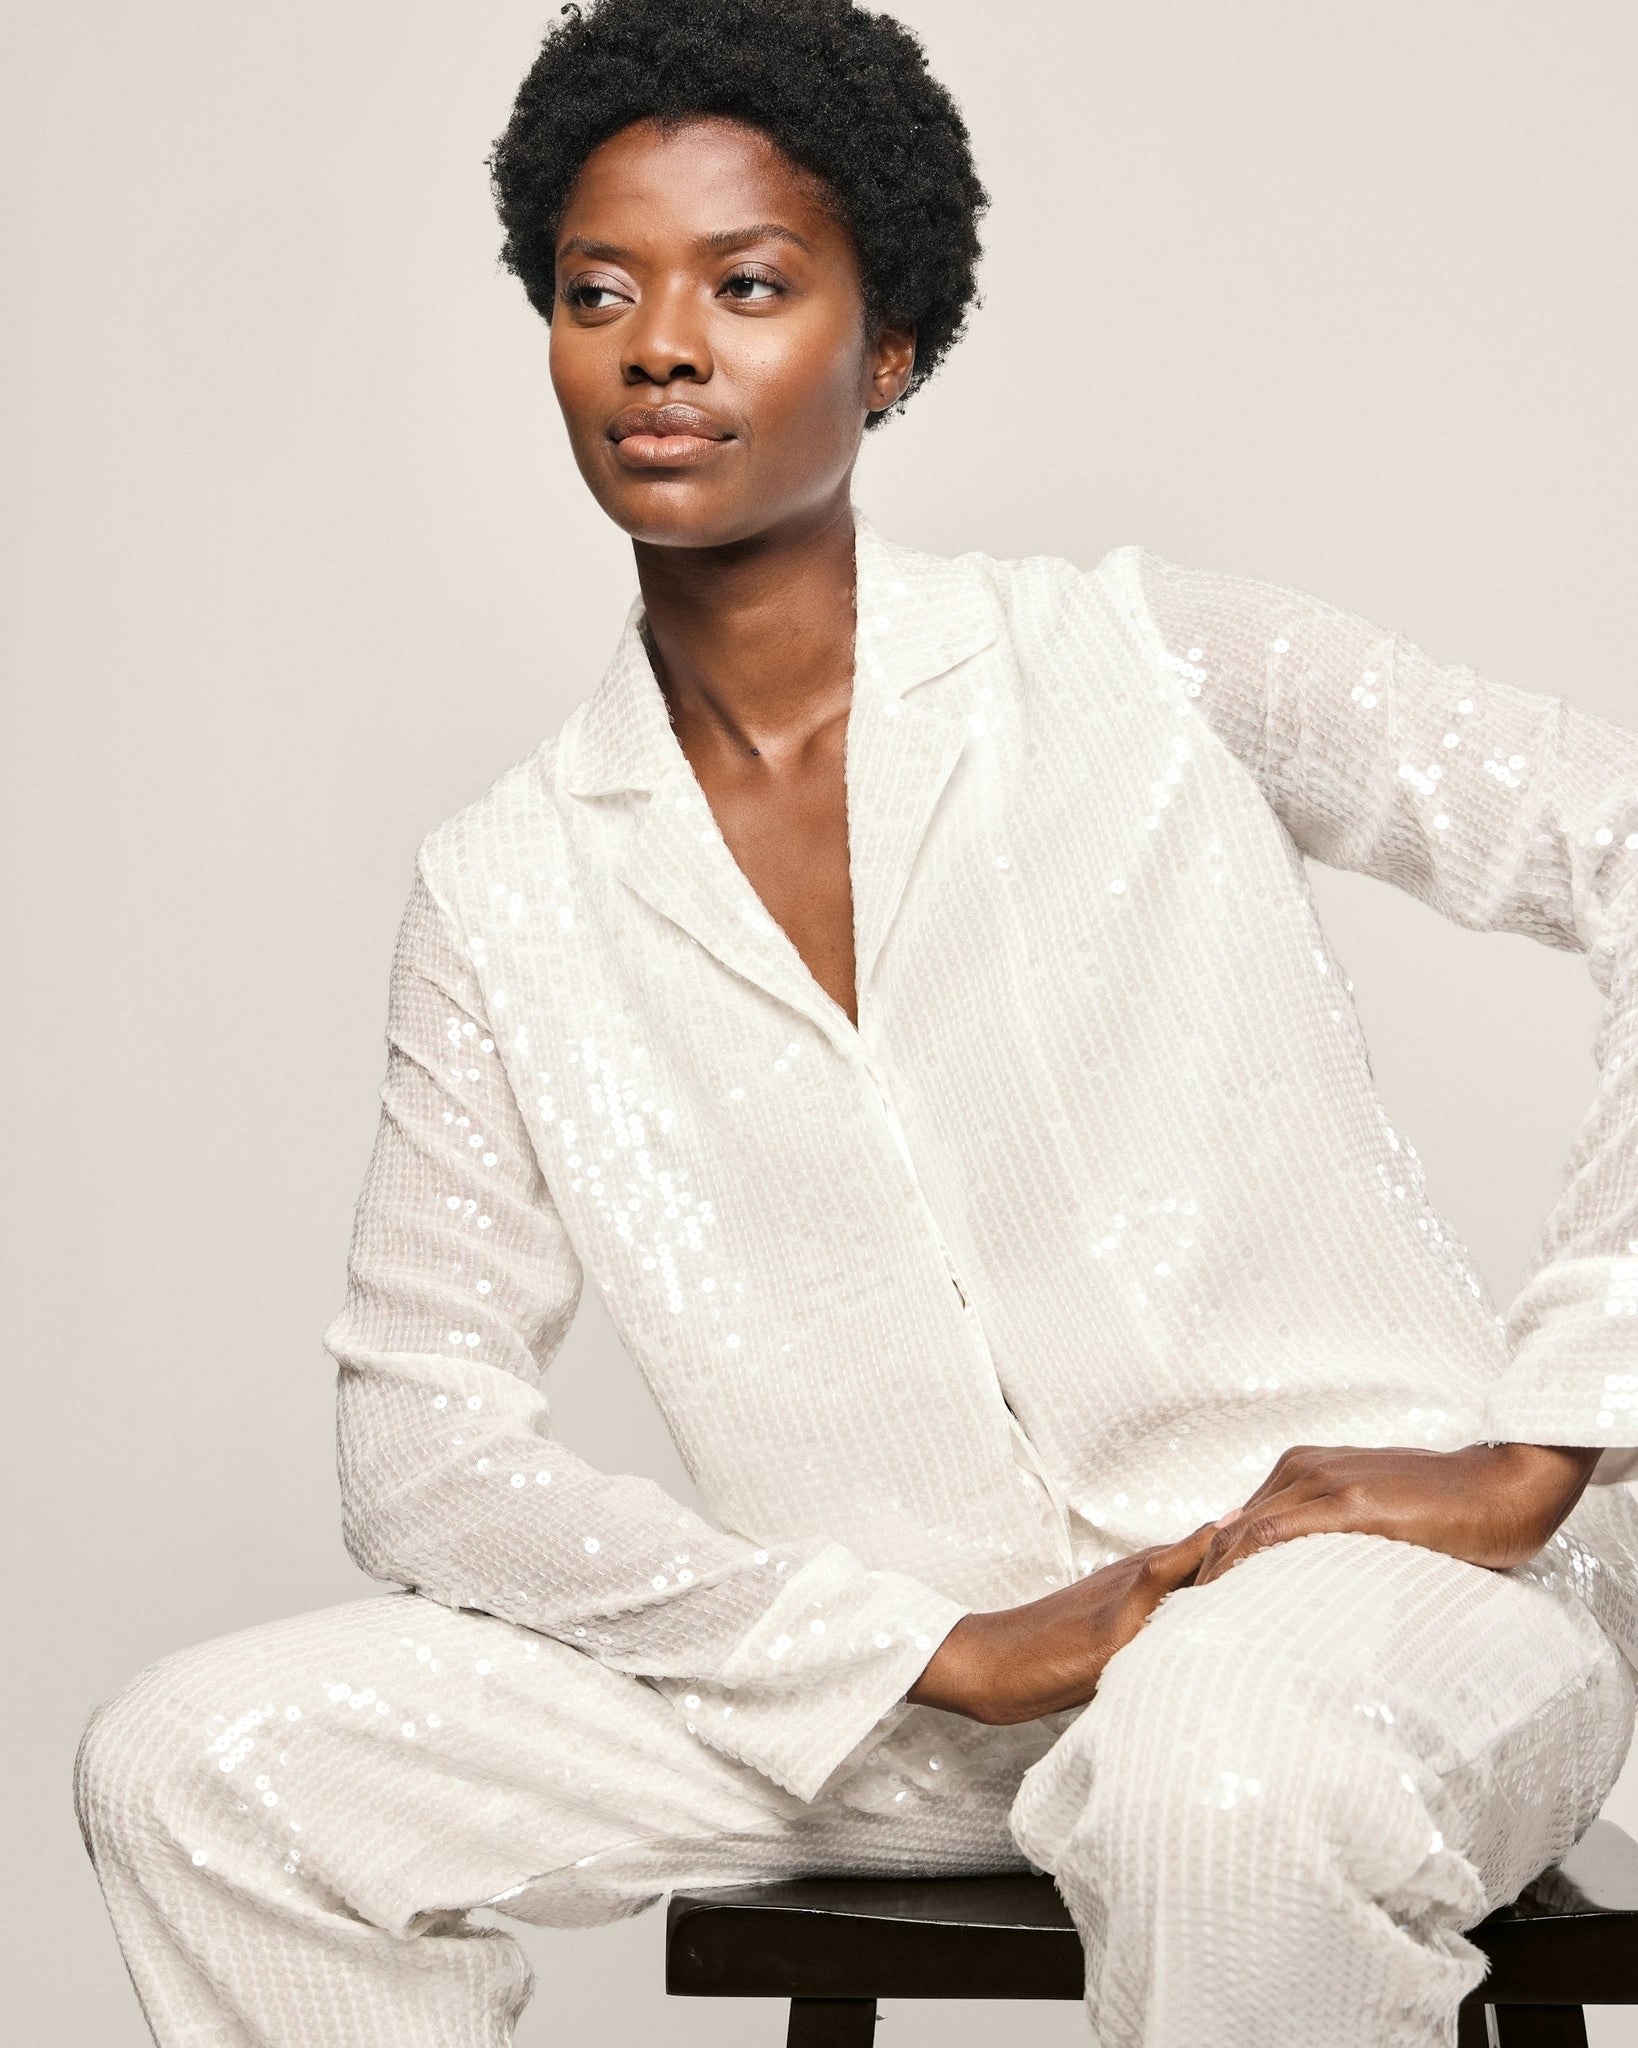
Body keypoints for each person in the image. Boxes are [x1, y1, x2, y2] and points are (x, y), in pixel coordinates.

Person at [74, 2, 1638, 2043]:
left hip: (1342, 1625)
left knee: (1219, 1783)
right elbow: (419, 1443)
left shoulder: (1144, 666)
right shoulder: (511, 884)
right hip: (894, 1692)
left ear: (885, 349)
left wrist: (1551, 1431)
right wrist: (901, 1644)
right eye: (597, 290)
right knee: (203, 1767)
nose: (658, 344)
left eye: (748, 284)